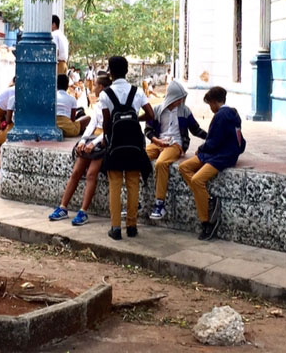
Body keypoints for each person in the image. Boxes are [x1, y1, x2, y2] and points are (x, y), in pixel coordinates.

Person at [179, 85, 246, 241]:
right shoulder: (233, 114)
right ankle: (206, 198)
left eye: (210, 104)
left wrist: (201, 148)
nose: (210, 108)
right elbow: (240, 141)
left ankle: (206, 221)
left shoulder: (221, 116)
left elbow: (214, 141)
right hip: (215, 153)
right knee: (184, 167)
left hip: (221, 156)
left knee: (197, 180)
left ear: (214, 102)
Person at [101, 56, 154, 240]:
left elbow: (107, 122)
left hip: (115, 144)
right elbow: (150, 114)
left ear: (111, 72)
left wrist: (107, 139)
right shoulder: (137, 92)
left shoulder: (105, 94)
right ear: (127, 71)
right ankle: (132, 226)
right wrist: (134, 119)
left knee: (115, 185)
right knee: (133, 184)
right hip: (134, 144)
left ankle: (115, 228)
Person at [48, 73, 111, 225]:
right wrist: (82, 141)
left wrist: (94, 143)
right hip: (91, 139)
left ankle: (83, 211)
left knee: (91, 174)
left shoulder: (110, 104)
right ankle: (63, 206)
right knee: (76, 172)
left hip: (103, 141)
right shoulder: (97, 105)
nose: (93, 88)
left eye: (95, 85)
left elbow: (109, 129)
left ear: (101, 87)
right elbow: (91, 125)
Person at [145, 80, 207, 220]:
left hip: (175, 144)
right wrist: (157, 141)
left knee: (161, 164)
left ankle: (160, 203)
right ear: (172, 97)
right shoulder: (157, 110)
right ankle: (134, 198)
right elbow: (148, 130)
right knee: (138, 157)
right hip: (158, 142)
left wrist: (210, 137)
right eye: (179, 98)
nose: (181, 101)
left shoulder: (184, 111)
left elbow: (195, 129)